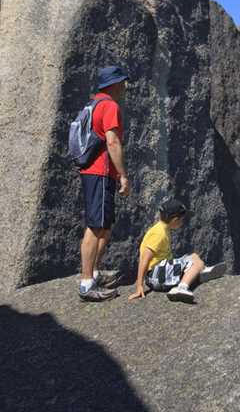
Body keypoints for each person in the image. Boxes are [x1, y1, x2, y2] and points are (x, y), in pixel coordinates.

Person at [78, 65, 132, 302]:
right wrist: (123, 174)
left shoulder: (93, 104)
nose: (125, 86)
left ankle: (95, 272)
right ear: (114, 84)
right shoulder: (109, 105)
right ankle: (86, 283)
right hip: (100, 171)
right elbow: (112, 142)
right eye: (122, 81)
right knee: (95, 226)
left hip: (96, 172)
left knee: (105, 226)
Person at [129, 199, 226, 304]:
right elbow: (145, 258)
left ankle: (200, 271)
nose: (182, 222)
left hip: (159, 273)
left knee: (193, 256)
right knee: (195, 263)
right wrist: (139, 285)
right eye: (181, 219)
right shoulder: (159, 234)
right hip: (156, 276)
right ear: (174, 220)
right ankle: (182, 287)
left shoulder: (161, 229)